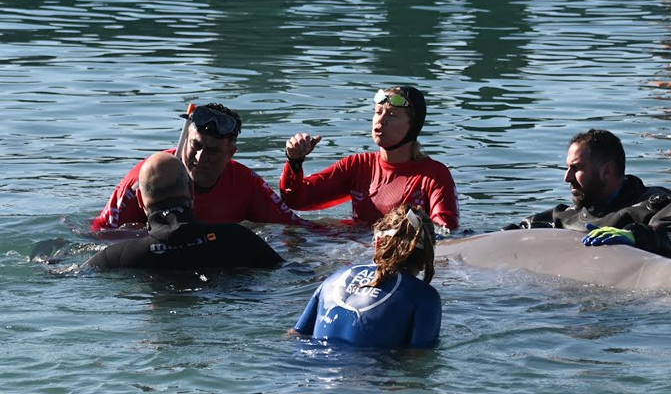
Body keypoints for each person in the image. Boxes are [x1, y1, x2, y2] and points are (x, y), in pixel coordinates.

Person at [91, 103, 300, 231]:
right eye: (196, 146)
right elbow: (101, 235)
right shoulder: (148, 177)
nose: (201, 157)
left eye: (214, 151)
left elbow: (295, 228)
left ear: (230, 154)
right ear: (187, 139)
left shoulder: (246, 183)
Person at [279, 86, 460, 231]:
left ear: (413, 126)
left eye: (391, 115)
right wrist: (294, 161)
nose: (380, 121)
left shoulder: (433, 176)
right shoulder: (357, 166)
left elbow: (446, 232)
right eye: (378, 112)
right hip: (357, 250)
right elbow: (295, 200)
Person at [504, 129, 671, 260]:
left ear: (606, 171)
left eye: (576, 168)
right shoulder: (567, 217)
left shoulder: (659, 205)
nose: (567, 178)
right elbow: (520, 231)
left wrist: (635, 236)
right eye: (567, 168)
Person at [86, 152, 284, 270]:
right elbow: (294, 273)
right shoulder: (238, 238)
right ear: (191, 190)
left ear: (139, 200)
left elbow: (64, 276)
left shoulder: (115, 257)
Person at [292, 205, 441, 349]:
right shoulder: (425, 296)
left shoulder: (334, 278)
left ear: (378, 243)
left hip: (311, 370)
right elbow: (418, 361)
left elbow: (295, 335)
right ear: (426, 256)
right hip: (368, 372)